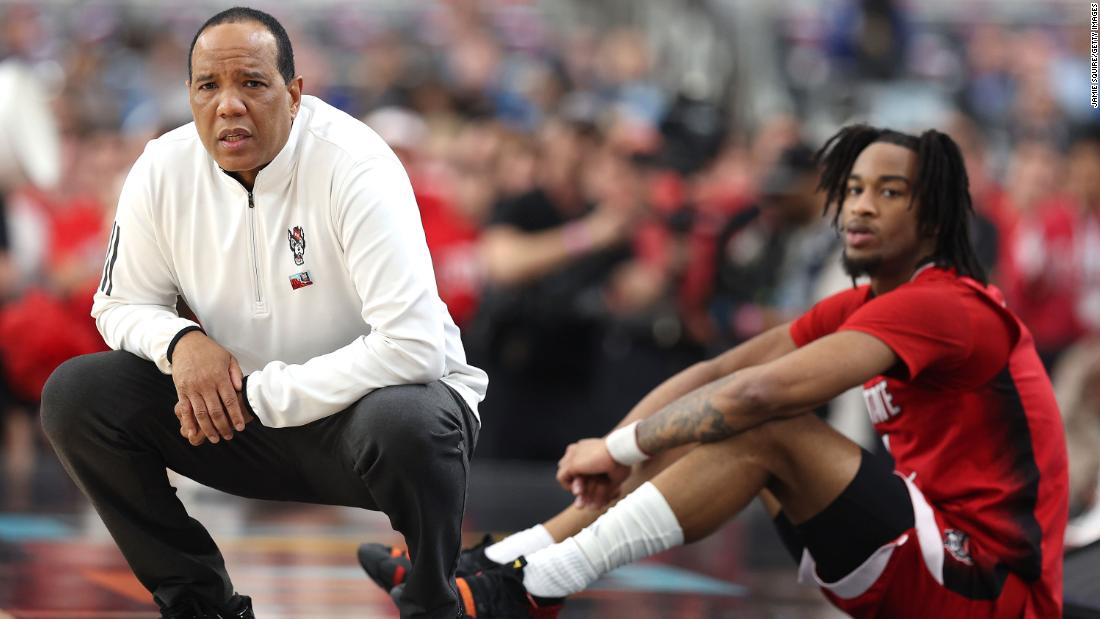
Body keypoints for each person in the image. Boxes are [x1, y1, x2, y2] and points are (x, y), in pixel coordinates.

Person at [360, 124, 1068, 618]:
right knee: (709, 414)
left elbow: (760, 390)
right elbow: (720, 368)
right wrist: (620, 448)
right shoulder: (866, 300)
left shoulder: (947, 303)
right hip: (922, 553)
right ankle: (503, 569)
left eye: (889, 192)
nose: (859, 205)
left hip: (989, 588)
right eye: (852, 188)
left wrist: (620, 447)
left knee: (761, 423)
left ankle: (530, 584)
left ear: (937, 216)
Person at [39, 7, 487, 619]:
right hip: (237, 420)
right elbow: (118, 304)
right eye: (208, 86)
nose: (228, 105)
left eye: (251, 83)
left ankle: (434, 600)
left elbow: (412, 346)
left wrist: (259, 395)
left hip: (358, 421)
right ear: (190, 95)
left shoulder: (357, 164)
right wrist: (180, 342)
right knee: (78, 395)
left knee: (410, 420)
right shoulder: (161, 169)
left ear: (294, 94)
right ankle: (203, 606)